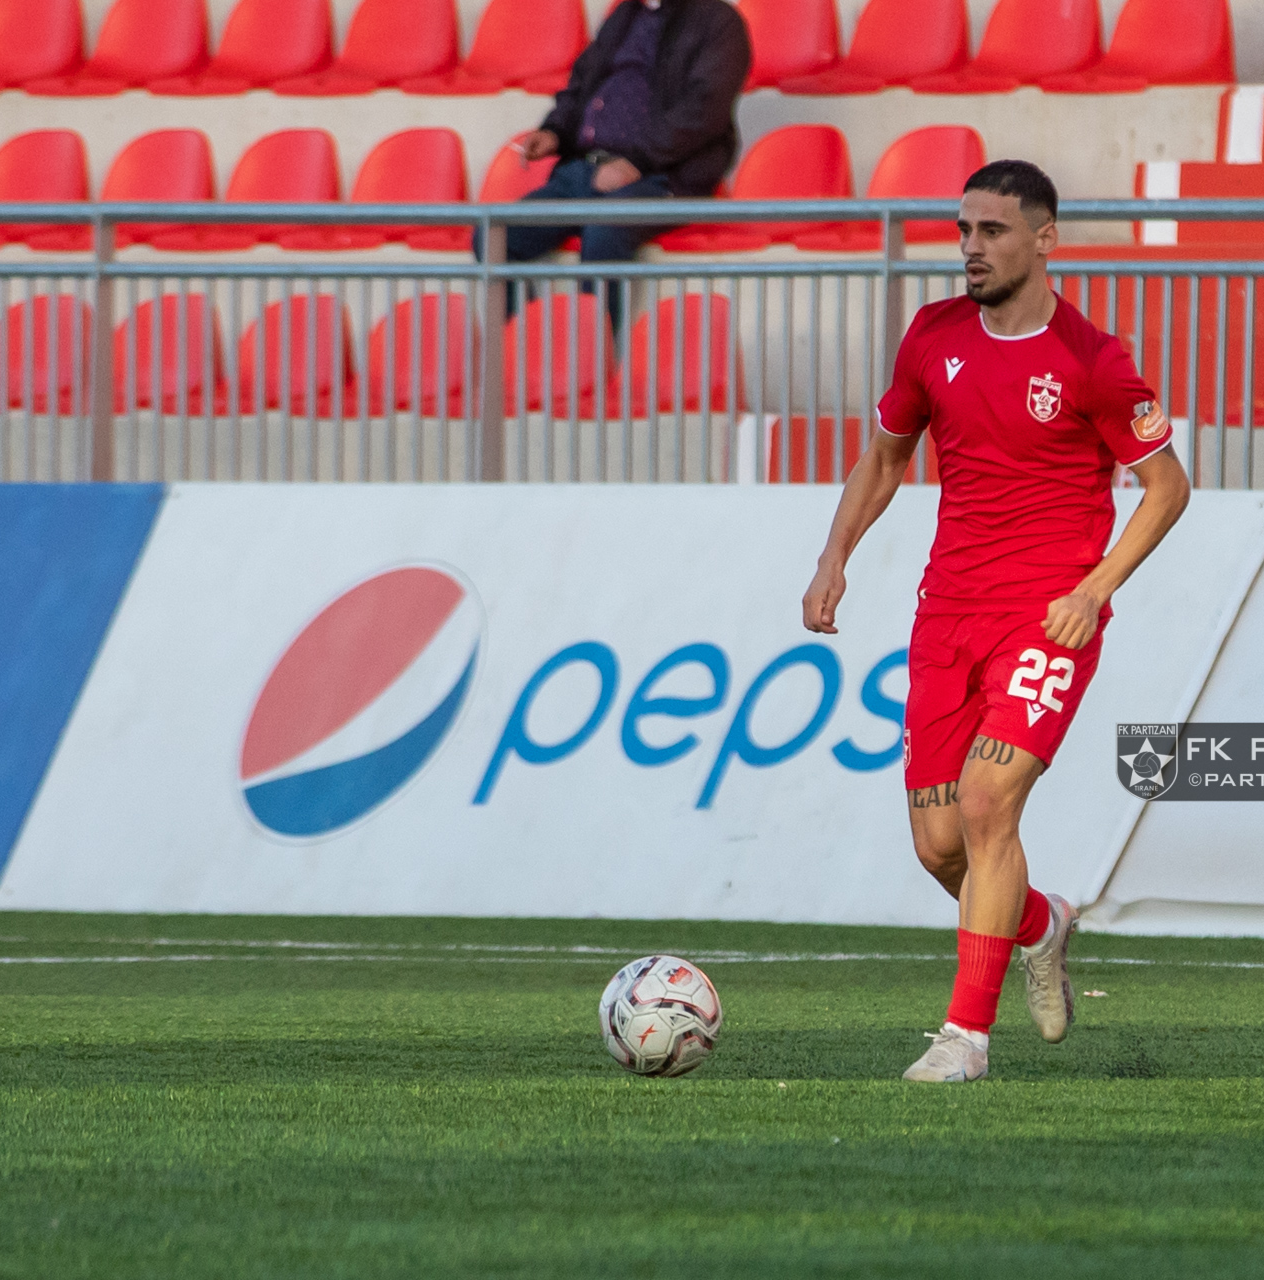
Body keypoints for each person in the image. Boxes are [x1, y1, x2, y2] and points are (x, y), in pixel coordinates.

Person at [801, 161, 1191, 1084]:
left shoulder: (1094, 360)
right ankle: (1040, 923)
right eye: (964, 230)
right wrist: (834, 557)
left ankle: (964, 1040)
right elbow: (886, 459)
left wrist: (1093, 590)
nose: (970, 248)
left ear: (1046, 240)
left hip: (1047, 617)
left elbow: (1167, 487)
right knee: (941, 848)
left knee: (986, 805)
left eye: (992, 231)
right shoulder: (933, 336)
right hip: (948, 614)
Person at [506, 0, 750, 330]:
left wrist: (637, 162)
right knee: (496, 237)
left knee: (604, 231)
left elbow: (704, 109)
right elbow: (582, 83)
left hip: (665, 177)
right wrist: (554, 131)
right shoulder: (624, 14)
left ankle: (596, 356)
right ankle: (525, 348)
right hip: (587, 168)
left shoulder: (718, 20)